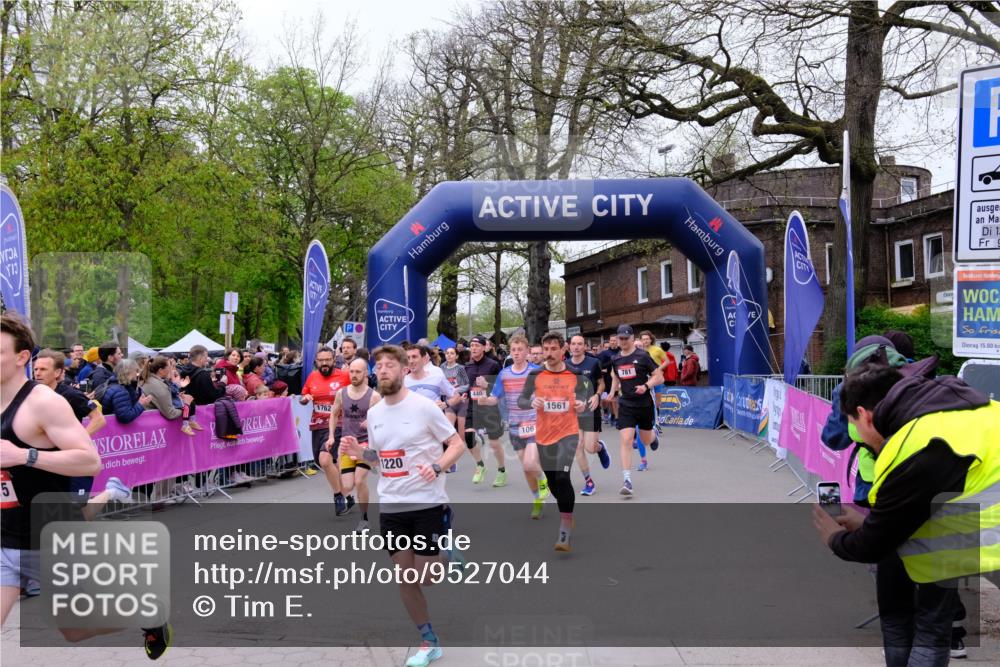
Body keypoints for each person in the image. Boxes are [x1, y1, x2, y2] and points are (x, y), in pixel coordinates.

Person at [0, 315, 170, 659]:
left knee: (76, 630)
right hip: (5, 538)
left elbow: (89, 461)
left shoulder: (43, 403)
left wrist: (24, 456)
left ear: (22, 357)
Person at [813, 363, 999, 666]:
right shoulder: (951, 407)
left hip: (976, 534)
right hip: (956, 524)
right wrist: (871, 523)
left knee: (928, 629)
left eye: (853, 424)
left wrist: (834, 538)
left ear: (864, 415)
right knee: (922, 621)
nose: (859, 437)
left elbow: (873, 544)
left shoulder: (915, 447)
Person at [339, 345, 466, 667]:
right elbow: (380, 460)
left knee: (428, 577)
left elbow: (456, 444)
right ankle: (429, 641)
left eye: (390, 365)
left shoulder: (424, 408)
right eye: (378, 366)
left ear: (404, 370)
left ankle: (447, 550)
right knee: (406, 578)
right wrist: (359, 452)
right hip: (392, 506)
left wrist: (437, 466)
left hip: (427, 503)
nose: (383, 370)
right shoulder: (374, 414)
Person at [32, 349, 130, 517]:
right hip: (51, 461)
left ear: (58, 372)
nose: (37, 373)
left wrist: (76, 441)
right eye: (35, 369)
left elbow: (99, 419)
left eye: (43, 369)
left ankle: (111, 492)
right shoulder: (33, 395)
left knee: (78, 512)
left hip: (76, 459)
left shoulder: (70, 394)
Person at [516, 331, 591, 551]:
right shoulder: (535, 375)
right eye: (546, 349)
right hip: (544, 435)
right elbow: (521, 400)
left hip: (568, 433)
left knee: (562, 476)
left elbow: (583, 396)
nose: (549, 353)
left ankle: (565, 529)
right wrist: (531, 402)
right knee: (553, 483)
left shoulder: (575, 373)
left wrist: (581, 404)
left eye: (553, 349)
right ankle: (567, 511)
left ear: (563, 349)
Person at [479, 335, 548, 516]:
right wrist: (485, 400)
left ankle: (543, 480)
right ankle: (537, 500)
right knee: (526, 468)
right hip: (515, 426)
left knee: (530, 462)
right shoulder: (504, 374)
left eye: (520, 350)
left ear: (527, 352)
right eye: (514, 350)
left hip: (534, 422)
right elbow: (495, 398)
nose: (516, 353)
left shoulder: (536, 371)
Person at [608, 325, 663, 496]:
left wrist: (646, 386)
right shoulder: (616, 359)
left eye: (626, 338)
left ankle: (653, 436)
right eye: (621, 338)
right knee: (626, 439)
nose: (623, 341)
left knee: (645, 440)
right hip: (626, 404)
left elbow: (659, 376)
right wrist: (612, 392)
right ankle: (627, 480)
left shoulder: (642, 356)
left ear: (632, 338)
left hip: (644, 404)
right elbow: (616, 378)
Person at [331, 358, 381, 534]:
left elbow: (383, 420)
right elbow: (334, 414)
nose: (354, 375)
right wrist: (331, 436)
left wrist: (372, 422)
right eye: (351, 371)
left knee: (359, 481)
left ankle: (364, 519)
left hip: (365, 445)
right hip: (346, 444)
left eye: (358, 372)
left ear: (366, 373)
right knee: (347, 486)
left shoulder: (374, 396)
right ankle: (352, 499)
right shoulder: (341, 393)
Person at [301, 346, 351, 514]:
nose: (324, 363)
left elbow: (356, 395)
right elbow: (303, 397)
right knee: (327, 462)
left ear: (333, 360)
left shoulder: (344, 376)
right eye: (321, 360)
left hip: (337, 424)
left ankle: (338, 496)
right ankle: (347, 495)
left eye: (327, 360)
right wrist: (305, 398)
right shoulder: (312, 377)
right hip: (318, 425)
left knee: (324, 459)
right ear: (316, 361)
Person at [565, 334, 610, 496]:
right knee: (577, 446)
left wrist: (597, 395)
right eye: (573, 344)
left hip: (591, 409)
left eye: (580, 344)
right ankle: (589, 481)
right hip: (573, 412)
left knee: (590, 448)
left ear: (585, 346)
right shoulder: (564, 365)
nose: (576, 347)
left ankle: (600, 447)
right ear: (569, 346)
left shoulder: (593, 362)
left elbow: (601, 383)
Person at [464, 335, 502, 484]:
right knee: (468, 437)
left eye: (477, 346)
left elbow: (501, 387)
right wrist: (464, 394)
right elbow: (467, 387)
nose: (473, 348)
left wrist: (487, 385)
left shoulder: (493, 365)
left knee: (494, 443)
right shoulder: (467, 366)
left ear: (484, 348)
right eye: (472, 346)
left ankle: (501, 470)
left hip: (489, 407)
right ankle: (480, 465)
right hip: (473, 408)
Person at [441, 347, 470, 471]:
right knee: (448, 432)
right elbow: (440, 384)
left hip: (461, 401)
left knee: (461, 436)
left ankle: (474, 438)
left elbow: (467, 384)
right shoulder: (441, 368)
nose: (449, 355)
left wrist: (455, 390)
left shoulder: (461, 368)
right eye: (447, 353)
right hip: (450, 402)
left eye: (452, 353)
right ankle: (451, 462)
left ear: (456, 356)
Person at [100, 359, 152, 424]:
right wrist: (141, 404)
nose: (137, 374)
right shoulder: (120, 391)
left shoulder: (115, 384)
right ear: (128, 372)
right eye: (136, 371)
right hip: (116, 428)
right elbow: (125, 416)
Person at [598, 334, 620, 425]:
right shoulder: (605, 353)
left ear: (617, 341)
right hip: (609, 378)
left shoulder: (621, 351)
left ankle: (617, 416)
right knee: (613, 398)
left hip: (621, 376)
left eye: (614, 340)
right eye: (611, 340)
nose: (613, 342)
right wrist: (611, 362)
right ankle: (615, 416)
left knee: (618, 398)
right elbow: (600, 366)